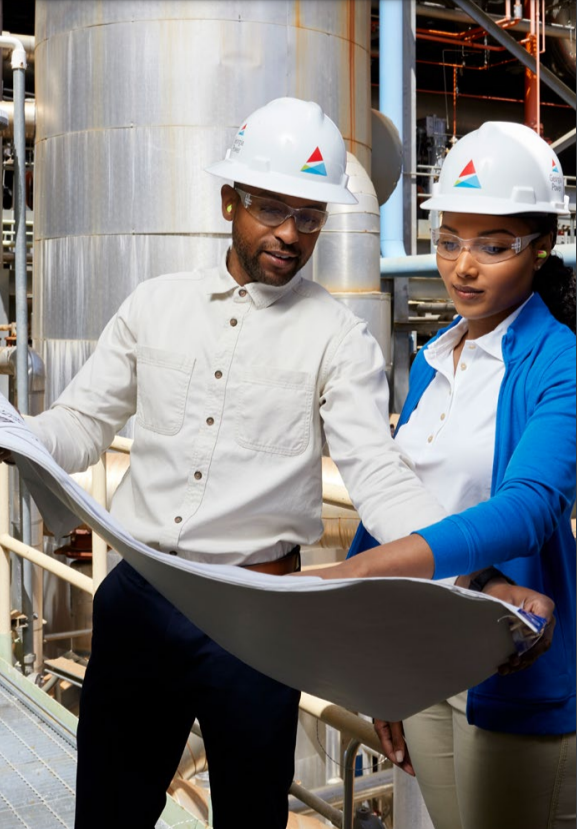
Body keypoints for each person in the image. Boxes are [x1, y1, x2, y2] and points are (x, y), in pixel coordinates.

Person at [23, 96, 457, 829]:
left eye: (310, 216)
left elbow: (377, 478)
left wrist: (463, 570)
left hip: (261, 617)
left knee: (252, 818)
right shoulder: (153, 305)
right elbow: (79, 424)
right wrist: (22, 434)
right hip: (143, 596)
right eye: (270, 209)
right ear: (229, 199)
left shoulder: (337, 338)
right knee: (108, 812)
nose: (290, 234)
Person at [303, 122, 576, 829]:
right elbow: (391, 498)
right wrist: (378, 666)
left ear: (540, 243)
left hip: (511, 661)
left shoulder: (559, 361)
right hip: (421, 656)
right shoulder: (432, 357)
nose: (462, 266)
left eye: (493, 245)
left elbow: (526, 510)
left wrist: (350, 577)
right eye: (449, 238)